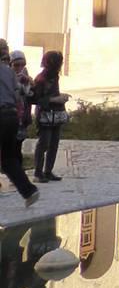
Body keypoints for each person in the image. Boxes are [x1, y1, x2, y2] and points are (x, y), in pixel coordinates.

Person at [0, 49, 38, 207]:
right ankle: (29, 191)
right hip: (12, 116)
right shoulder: (8, 72)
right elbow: (17, 96)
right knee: (8, 158)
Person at [29, 51, 68, 182]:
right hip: (45, 116)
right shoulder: (41, 79)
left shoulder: (54, 77)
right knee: (44, 144)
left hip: (56, 115)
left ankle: (48, 171)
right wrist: (55, 100)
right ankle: (38, 173)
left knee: (54, 144)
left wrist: (61, 97)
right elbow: (36, 99)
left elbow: (52, 93)